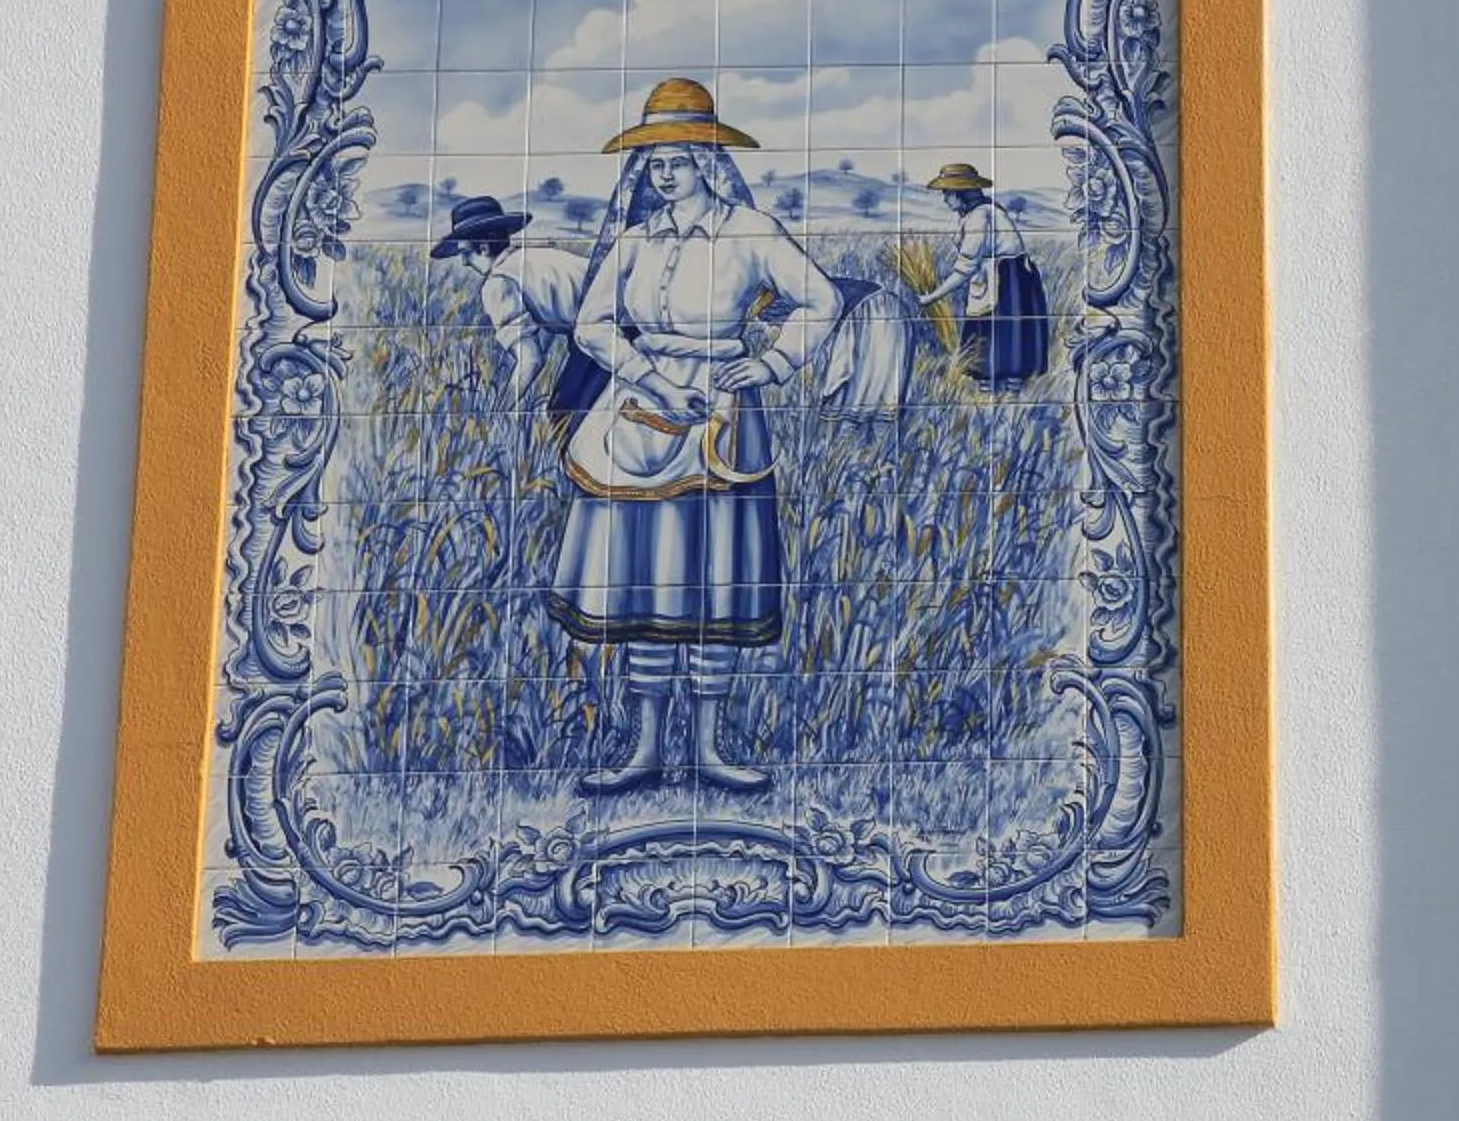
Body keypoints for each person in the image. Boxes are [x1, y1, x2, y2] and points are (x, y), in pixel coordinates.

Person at [544, 78, 844, 793]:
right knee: (643, 582)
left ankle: (710, 750)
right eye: (653, 161)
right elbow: (591, 324)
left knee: (713, 584)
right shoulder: (635, 240)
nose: (664, 171)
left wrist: (768, 363)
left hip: (721, 416)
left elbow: (822, 300)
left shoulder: (751, 233)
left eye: (677, 156)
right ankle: (643, 751)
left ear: (710, 158)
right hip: (634, 414)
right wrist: (648, 377)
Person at [431, 193, 590, 408]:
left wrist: (500, 409)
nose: (464, 263)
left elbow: (531, 359)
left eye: (465, 253)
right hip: (615, 324)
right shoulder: (534, 259)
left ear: (484, 248)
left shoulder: (499, 282)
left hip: (601, 333)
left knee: (562, 412)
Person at [913, 162, 1051, 386]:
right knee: (1005, 352)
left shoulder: (980, 217)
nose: (945, 199)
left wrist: (931, 297)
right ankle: (1002, 397)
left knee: (999, 350)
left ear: (961, 194)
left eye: (947, 193)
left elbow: (964, 269)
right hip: (1011, 281)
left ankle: (1002, 397)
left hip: (1005, 286)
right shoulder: (980, 212)